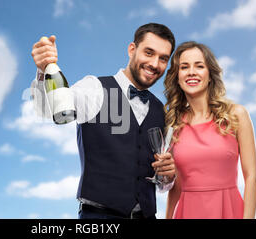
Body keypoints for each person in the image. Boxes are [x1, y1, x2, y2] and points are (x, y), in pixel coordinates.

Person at [30, 23, 177, 219]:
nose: (154, 64)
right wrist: (43, 70)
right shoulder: (94, 88)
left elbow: (160, 182)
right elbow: (48, 111)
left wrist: (167, 176)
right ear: (132, 49)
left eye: (163, 58)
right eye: (149, 53)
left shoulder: (160, 109)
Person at [163, 41, 256, 219]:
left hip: (229, 210)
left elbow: (251, 177)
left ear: (210, 74)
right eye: (184, 67)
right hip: (187, 212)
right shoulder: (173, 124)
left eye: (199, 66)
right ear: (177, 76)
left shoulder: (236, 114)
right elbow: (176, 186)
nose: (191, 72)